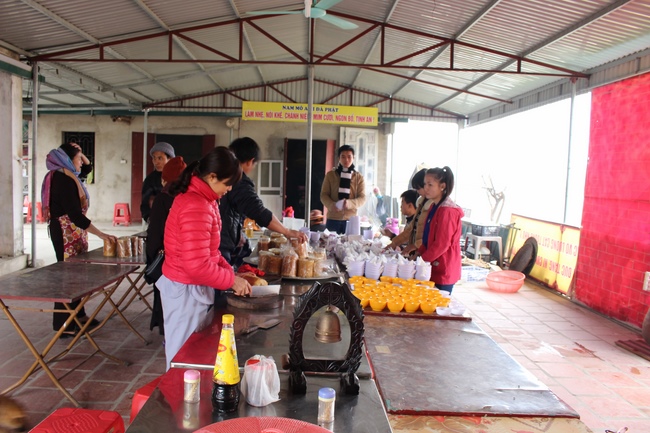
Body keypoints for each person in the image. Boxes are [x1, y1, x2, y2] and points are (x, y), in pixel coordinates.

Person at [157, 146, 251, 369]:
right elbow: (197, 266)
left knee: (191, 354)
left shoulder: (205, 199)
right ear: (212, 177)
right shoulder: (196, 205)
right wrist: (231, 280)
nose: (229, 189)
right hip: (185, 291)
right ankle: (176, 391)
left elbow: (210, 252)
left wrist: (229, 273)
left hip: (188, 288)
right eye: (227, 183)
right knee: (182, 357)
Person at [41, 142, 117, 337]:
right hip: (65, 232)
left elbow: (88, 169)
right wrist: (101, 234)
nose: (81, 163)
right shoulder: (64, 181)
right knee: (67, 277)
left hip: (73, 232)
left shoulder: (69, 175)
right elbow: (75, 216)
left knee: (77, 275)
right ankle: (63, 324)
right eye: (78, 159)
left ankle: (79, 315)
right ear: (67, 160)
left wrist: (80, 153)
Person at [219, 137, 307, 267]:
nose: (228, 189)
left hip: (218, 241)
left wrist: (237, 235)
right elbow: (259, 212)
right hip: (219, 246)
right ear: (250, 161)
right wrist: (287, 232)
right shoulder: (238, 182)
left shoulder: (225, 178)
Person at [145, 156, 187, 336]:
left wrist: (151, 258)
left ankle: (166, 331)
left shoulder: (163, 198)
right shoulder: (190, 196)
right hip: (186, 260)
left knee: (164, 296)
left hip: (167, 259)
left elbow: (155, 233)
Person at [413, 167, 464, 293]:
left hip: (443, 266)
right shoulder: (434, 206)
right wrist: (419, 253)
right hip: (432, 264)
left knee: (439, 300)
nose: (426, 188)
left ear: (442, 186)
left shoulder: (448, 211)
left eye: (430, 184)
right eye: (425, 184)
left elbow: (442, 244)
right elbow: (427, 237)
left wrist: (422, 260)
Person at [320, 145, 366, 234]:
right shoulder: (330, 175)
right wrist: (331, 205)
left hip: (351, 219)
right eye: (343, 157)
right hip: (333, 218)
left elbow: (362, 198)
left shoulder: (359, 177)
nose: (346, 160)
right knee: (331, 242)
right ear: (339, 158)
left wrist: (349, 203)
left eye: (349, 157)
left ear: (353, 158)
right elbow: (324, 195)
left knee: (350, 242)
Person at [387, 169, 432, 252]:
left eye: (418, 188)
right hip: (417, 252)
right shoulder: (421, 203)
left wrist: (414, 246)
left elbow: (429, 236)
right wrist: (394, 243)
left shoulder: (433, 207)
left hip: (425, 252)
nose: (417, 191)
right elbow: (410, 230)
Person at [141, 142, 175, 223]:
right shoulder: (150, 180)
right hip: (158, 222)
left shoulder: (180, 177)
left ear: (170, 159)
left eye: (160, 158)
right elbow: (145, 204)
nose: (156, 162)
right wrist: (150, 220)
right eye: (154, 158)